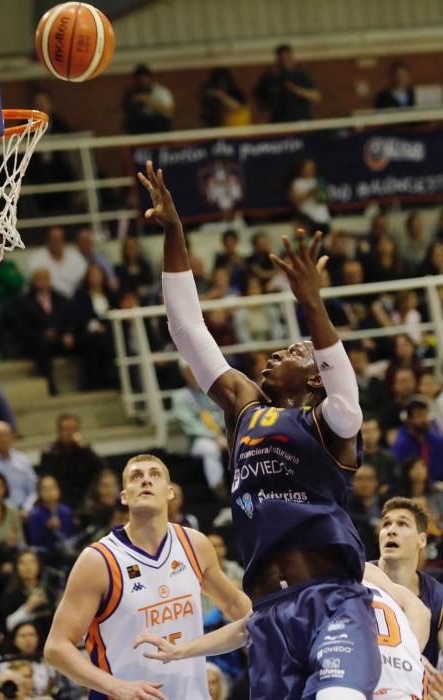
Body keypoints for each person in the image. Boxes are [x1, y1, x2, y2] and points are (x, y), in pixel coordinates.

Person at [138, 160, 380, 699]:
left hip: (333, 603)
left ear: (315, 375)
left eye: (296, 351)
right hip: (267, 617)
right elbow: (187, 329)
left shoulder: (330, 423)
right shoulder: (244, 407)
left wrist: (312, 305)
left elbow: (345, 393)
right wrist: (174, 232)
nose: (278, 353)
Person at [44, 453, 251, 699]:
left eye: (155, 474)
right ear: (124, 496)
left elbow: (237, 606)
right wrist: (116, 687)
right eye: (136, 476)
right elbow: (56, 647)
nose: (145, 480)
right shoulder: (98, 560)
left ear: (170, 492)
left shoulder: (194, 544)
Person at [134, 562, 430, 700]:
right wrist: (410, 654)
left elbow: (245, 628)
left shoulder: (319, 583)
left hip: (375, 681)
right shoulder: (360, 572)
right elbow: (418, 609)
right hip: (397, 682)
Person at [376, 497, 443, 666]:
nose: (391, 530)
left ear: (422, 540)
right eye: (386, 524)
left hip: (417, 690)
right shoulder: (357, 578)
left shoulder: (438, 598)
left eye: (402, 524)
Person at [172, 362, 228, 496]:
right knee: (210, 449)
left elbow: (223, 414)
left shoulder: (212, 391)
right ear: (184, 374)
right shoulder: (179, 397)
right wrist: (214, 437)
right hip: (200, 439)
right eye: (189, 371)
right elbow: (189, 426)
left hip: (223, 434)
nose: (194, 374)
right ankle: (217, 487)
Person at [17, 267, 76, 395]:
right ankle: (50, 385)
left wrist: (67, 333)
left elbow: (70, 320)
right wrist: (42, 333)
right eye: (39, 279)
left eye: (45, 279)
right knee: (42, 346)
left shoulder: (61, 299)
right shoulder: (25, 302)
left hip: (61, 338)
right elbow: (23, 329)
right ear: (34, 282)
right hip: (38, 341)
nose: (42, 282)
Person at [37, 413, 105, 511]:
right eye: (66, 429)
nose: (70, 433)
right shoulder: (50, 453)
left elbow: (102, 470)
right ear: (59, 432)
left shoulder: (84, 450)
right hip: (60, 499)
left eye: (73, 429)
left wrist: (85, 449)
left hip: (85, 497)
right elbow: (45, 479)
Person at [254, 44, 321, 123]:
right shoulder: (271, 77)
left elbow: (316, 97)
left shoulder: (301, 75)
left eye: (287, 58)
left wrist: (294, 89)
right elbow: (258, 96)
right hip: (280, 121)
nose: (285, 61)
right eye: (282, 58)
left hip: (301, 120)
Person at [27, 227, 87, 299]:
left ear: (64, 240)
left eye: (60, 239)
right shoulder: (36, 259)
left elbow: (85, 280)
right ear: (47, 240)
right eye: (54, 239)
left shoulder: (76, 257)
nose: (57, 242)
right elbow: (35, 284)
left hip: (75, 299)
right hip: (48, 300)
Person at [392, 398, 443, 479]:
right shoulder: (402, 444)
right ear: (409, 419)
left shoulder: (437, 440)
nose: (424, 420)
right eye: (419, 416)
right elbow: (402, 474)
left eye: (425, 415)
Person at [123, 64, 174, 134]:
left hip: (160, 130)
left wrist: (144, 98)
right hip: (140, 132)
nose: (142, 82)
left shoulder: (160, 91)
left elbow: (167, 109)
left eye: (145, 78)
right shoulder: (132, 94)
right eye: (139, 79)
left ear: (151, 78)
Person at [289, 158, 331, 236]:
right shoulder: (297, 183)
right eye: (307, 167)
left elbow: (325, 200)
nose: (309, 170)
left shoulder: (318, 181)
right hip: (308, 220)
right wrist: (310, 192)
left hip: (323, 218)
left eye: (311, 167)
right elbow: (295, 201)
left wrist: (323, 194)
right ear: (302, 168)